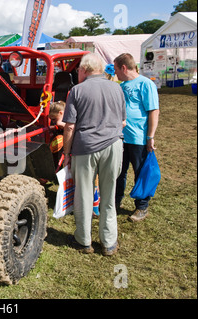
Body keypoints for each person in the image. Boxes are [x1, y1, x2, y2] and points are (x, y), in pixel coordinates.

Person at [62, 53, 126, 256]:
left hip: (85, 148)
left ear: (84, 70)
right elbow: (123, 121)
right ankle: (109, 242)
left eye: (78, 70)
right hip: (114, 145)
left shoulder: (76, 90)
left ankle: (83, 240)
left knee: (84, 194)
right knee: (109, 195)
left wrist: (66, 153)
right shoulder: (117, 87)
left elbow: (70, 127)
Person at [113, 53, 160, 222]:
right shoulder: (122, 85)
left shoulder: (146, 84)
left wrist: (150, 136)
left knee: (140, 172)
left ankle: (142, 206)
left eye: (116, 69)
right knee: (119, 171)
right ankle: (115, 201)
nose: (115, 73)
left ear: (124, 68)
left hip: (139, 138)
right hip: (120, 137)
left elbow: (153, 110)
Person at [49, 101, 66, 170]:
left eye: (54, 119)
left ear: (61, 113)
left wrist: (59, 123)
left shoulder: (67, 121)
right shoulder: (59, 122)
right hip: (57, 146)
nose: (54, 122)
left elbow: (70, 127)